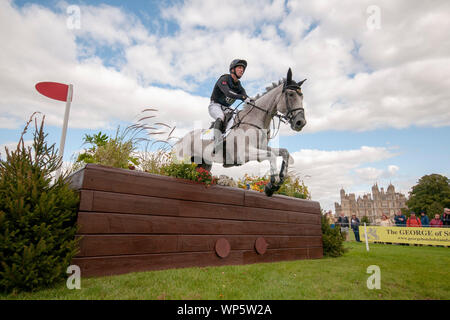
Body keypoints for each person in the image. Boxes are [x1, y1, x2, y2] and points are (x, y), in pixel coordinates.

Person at [209, 59, 253, 151]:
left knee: (237, 116)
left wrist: (251, 101)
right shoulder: (224, 79)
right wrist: (243, 98)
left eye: (243, 69)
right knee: (221, 116)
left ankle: (227, 137)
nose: (242, 70)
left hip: (226, 107)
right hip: (215, 105)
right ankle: (217, 142)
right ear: (232, 69)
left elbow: (245, 96)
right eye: (240, 68)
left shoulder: (239, 85)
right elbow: (228, 93)